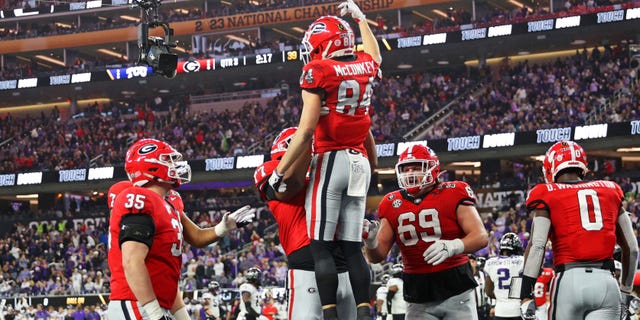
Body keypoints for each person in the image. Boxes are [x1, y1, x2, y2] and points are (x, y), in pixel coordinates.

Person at [268, 0, 382, 318]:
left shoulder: (318, 70)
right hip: (359, 159)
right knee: (351, 247)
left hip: (332, 159)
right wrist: (362, 20)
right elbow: (375, 54)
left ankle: (329, 312)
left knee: (321, 246)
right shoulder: (364, 64)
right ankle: (363, 310)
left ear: (323, 45)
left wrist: (280, 171)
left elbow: (304, 133)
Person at [107, 138, 254, 320]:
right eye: (168, 160)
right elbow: (132, 261)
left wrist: (224, 227)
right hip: (136, 302)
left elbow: (197, 237)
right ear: (151, 166)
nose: (175, 165)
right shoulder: (138, 197)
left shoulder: (170, 202)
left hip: (156, 304)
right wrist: (154, 313)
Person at [510, 140, 639, 320]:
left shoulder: (546, 192)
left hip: (568, 281)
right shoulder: (610, 190)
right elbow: (632, 249)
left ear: (551, 166)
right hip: (606, 282)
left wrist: (525, 295)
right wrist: (625, 291)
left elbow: (537, 246)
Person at [364, 144, 488, 319]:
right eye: (406, 170)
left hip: (456, 288)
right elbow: (376, 256)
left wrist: (453, 246)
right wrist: (370, 242)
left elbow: (481, 237)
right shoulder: (391, 203)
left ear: (433, 169)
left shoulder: (453, 191)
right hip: (417, 294)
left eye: (417, 168)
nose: (410, 174)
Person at [254, 127, 355, 320]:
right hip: (306, 264)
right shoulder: (270, 168)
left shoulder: (329, 166)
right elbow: (292, 184)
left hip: (345, 262)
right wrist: (308, 138)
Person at [484, 232, 524, 320]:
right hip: (517, 310)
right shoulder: (521, 261)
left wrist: (501, 296)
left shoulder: (491, 263)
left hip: (500, 311)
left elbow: (488, 291)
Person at [468, 255, 491, 320]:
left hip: (483, 308)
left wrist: (491, 305)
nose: (471, 264)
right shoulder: (464, 276)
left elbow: (488, 290)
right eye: (469, 262)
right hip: (471, 309)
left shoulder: (482, 274)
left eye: (472, 261)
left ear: (475, 263)